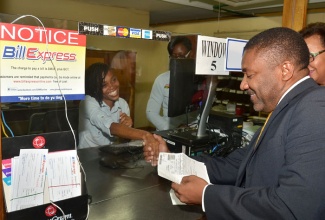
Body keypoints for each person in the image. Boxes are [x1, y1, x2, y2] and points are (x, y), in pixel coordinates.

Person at [143, 27, 325, 219]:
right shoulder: (287, 108)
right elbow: (237, 165)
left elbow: (294, 207)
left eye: (250, 75)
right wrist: (170, 160)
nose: (243, 84)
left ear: (285, 70)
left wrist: (206, 196)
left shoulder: (315, 108)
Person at [78, 62, 158, 149]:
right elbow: (109, 125)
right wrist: (145, 135)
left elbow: (124, 141)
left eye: (114, 80)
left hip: (111, 153)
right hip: (88, 155)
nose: (112, 86)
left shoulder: (122, 104)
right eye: (104, 85)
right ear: (95, 88)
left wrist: (127, 127)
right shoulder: (87, 102)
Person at [146, 36, 197, 130]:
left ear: (191, 54)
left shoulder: (199, 80)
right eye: (174, 57)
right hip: (169, 132)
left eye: (181, 56)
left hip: (193, 131)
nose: (177, 61)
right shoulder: (162, 80)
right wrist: (171, 128)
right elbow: (151, 112)